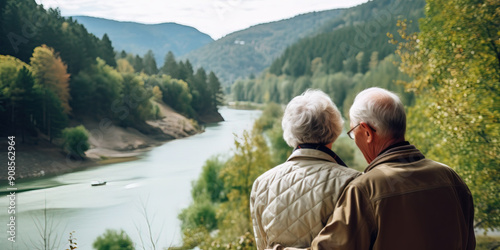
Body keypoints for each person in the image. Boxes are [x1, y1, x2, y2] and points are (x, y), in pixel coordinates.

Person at [275, 87, 475, 250]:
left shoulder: (365, 189)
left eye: (353, 132)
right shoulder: (452, 179)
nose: (354, 140)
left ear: (368, 132)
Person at [250, 89, 361, 250]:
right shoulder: (354, 182)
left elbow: (262, 245)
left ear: (289, 130)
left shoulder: (262, 184)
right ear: (335, 128)